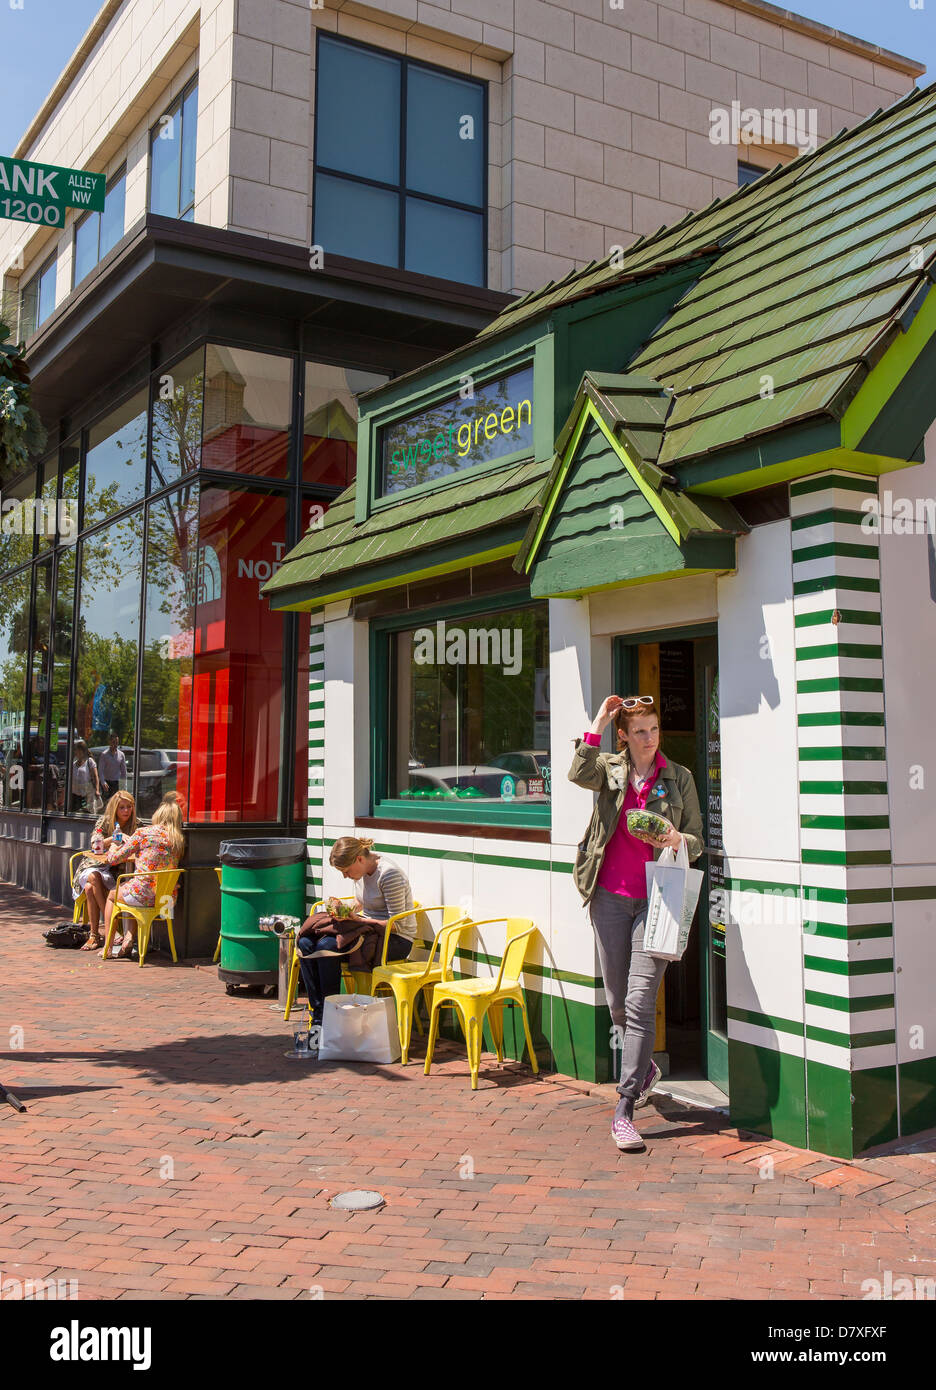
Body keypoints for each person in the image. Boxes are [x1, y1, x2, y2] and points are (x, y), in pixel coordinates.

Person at [568, 694, 703, 1153]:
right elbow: (576, 773)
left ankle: (624, 1107)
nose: (649, 739)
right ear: (624, 735)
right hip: (608, 896)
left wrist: (675, 837)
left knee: (642, 999)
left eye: (654, 729)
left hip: (658, 901)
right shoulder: (610, 768)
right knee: (618, 1001)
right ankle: (644, 1069)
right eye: (639, 731)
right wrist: (600, 719)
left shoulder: (678, 777)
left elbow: (697, 841)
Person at [296, 836, 416, 1029]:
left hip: (394, 940)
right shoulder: (360, 873)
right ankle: (318, 1012)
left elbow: (397, 924)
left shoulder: (389, 875)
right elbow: (361, 903)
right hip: (366, 930)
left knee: (328, 946)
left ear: (359, 859)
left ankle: (330, 1016)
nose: (345, 876)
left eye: (346, 871)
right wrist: (344, 908)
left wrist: (358, 920)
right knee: (306, 943)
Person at [99, 796, 184, 959]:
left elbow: (113, 859)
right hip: (167, 899)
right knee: (128, 886)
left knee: (112, 895)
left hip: (143, 895)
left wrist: (114, 846)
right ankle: (130, 937)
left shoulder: (143, 833)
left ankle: (107, 949)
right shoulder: (178, 840)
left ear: (158, 815)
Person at [73, 791, 138, 951]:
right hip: (92, 866)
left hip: (116, 871)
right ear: (115, 808)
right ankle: (113, 930)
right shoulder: (105, 822)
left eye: (129, 807)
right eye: (122, 807)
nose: (126, 811)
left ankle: (94, 936)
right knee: (94, 877)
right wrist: (116, 837)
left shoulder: (137, 824)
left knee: (90, 888)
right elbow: (95, 844)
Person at [70, 740, 101, 814]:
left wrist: (97, 790)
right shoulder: (73, 764)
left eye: (79, 751)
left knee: (86, 814)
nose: (77, 753)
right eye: (76, 751)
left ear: (84, 752)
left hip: (87, 795)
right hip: (75, 795)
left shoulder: (89, 762)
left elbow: (96, 776)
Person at [97, 732, 127, 798]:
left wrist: (124, 785)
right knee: (107, 802)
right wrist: (103, 782)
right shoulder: (104, 755)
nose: (115, 744)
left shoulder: (121, 755)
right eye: (113, 742)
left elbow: (123, 771)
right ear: (110, 742)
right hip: (107, 782)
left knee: (116, 802)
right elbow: (100, 770)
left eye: (117, 742)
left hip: (116, 783)